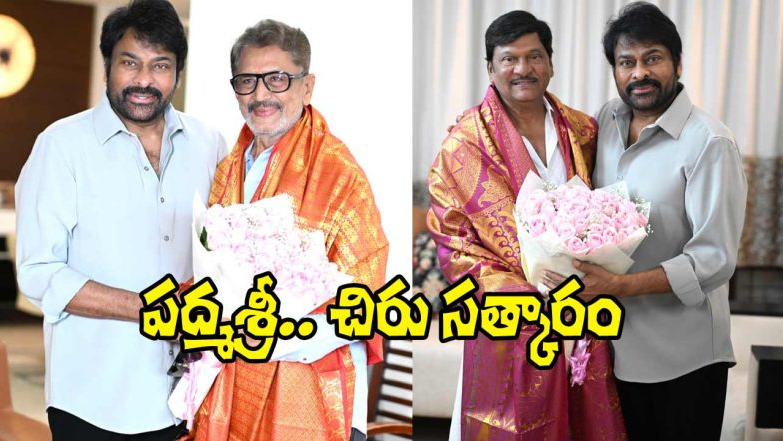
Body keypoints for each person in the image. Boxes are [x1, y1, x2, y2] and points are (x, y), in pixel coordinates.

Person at [14, 0, 227, 439]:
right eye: (130, 63)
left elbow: (223, 251)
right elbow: (38, 272)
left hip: (186, 398)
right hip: (91, 400)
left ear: (177, 73)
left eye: (160, 65)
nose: (145, 80)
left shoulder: (210, 144)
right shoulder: (61, 146)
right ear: (109, 64)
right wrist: (152, 309)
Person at [542, 3, 747, 440]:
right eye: (626, 62)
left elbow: (714, 259)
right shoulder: (606, 122)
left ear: (677, 62)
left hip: (685, 357)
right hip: (611, 350)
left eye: (652, 58)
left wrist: (620, 287)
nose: (639, 73)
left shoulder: (709, 143)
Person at [428, 10, 626, 441]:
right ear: (490, 68)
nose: (523, 69)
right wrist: (527, 290)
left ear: (551, 64)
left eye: (534, 57)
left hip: (581, 303)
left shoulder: (582, 130)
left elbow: (600, 208)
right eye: (509, 59)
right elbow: (453, 243)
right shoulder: (462, 145)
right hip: (510, 315)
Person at [185, 19, 388, 441]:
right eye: (247, 80)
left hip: (307, 378)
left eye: (277, 79)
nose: (261, 94)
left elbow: (363, 292)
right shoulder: (227, 169)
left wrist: (277, 336)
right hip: (230, 371)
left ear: (307, 86)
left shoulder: (339, 171)